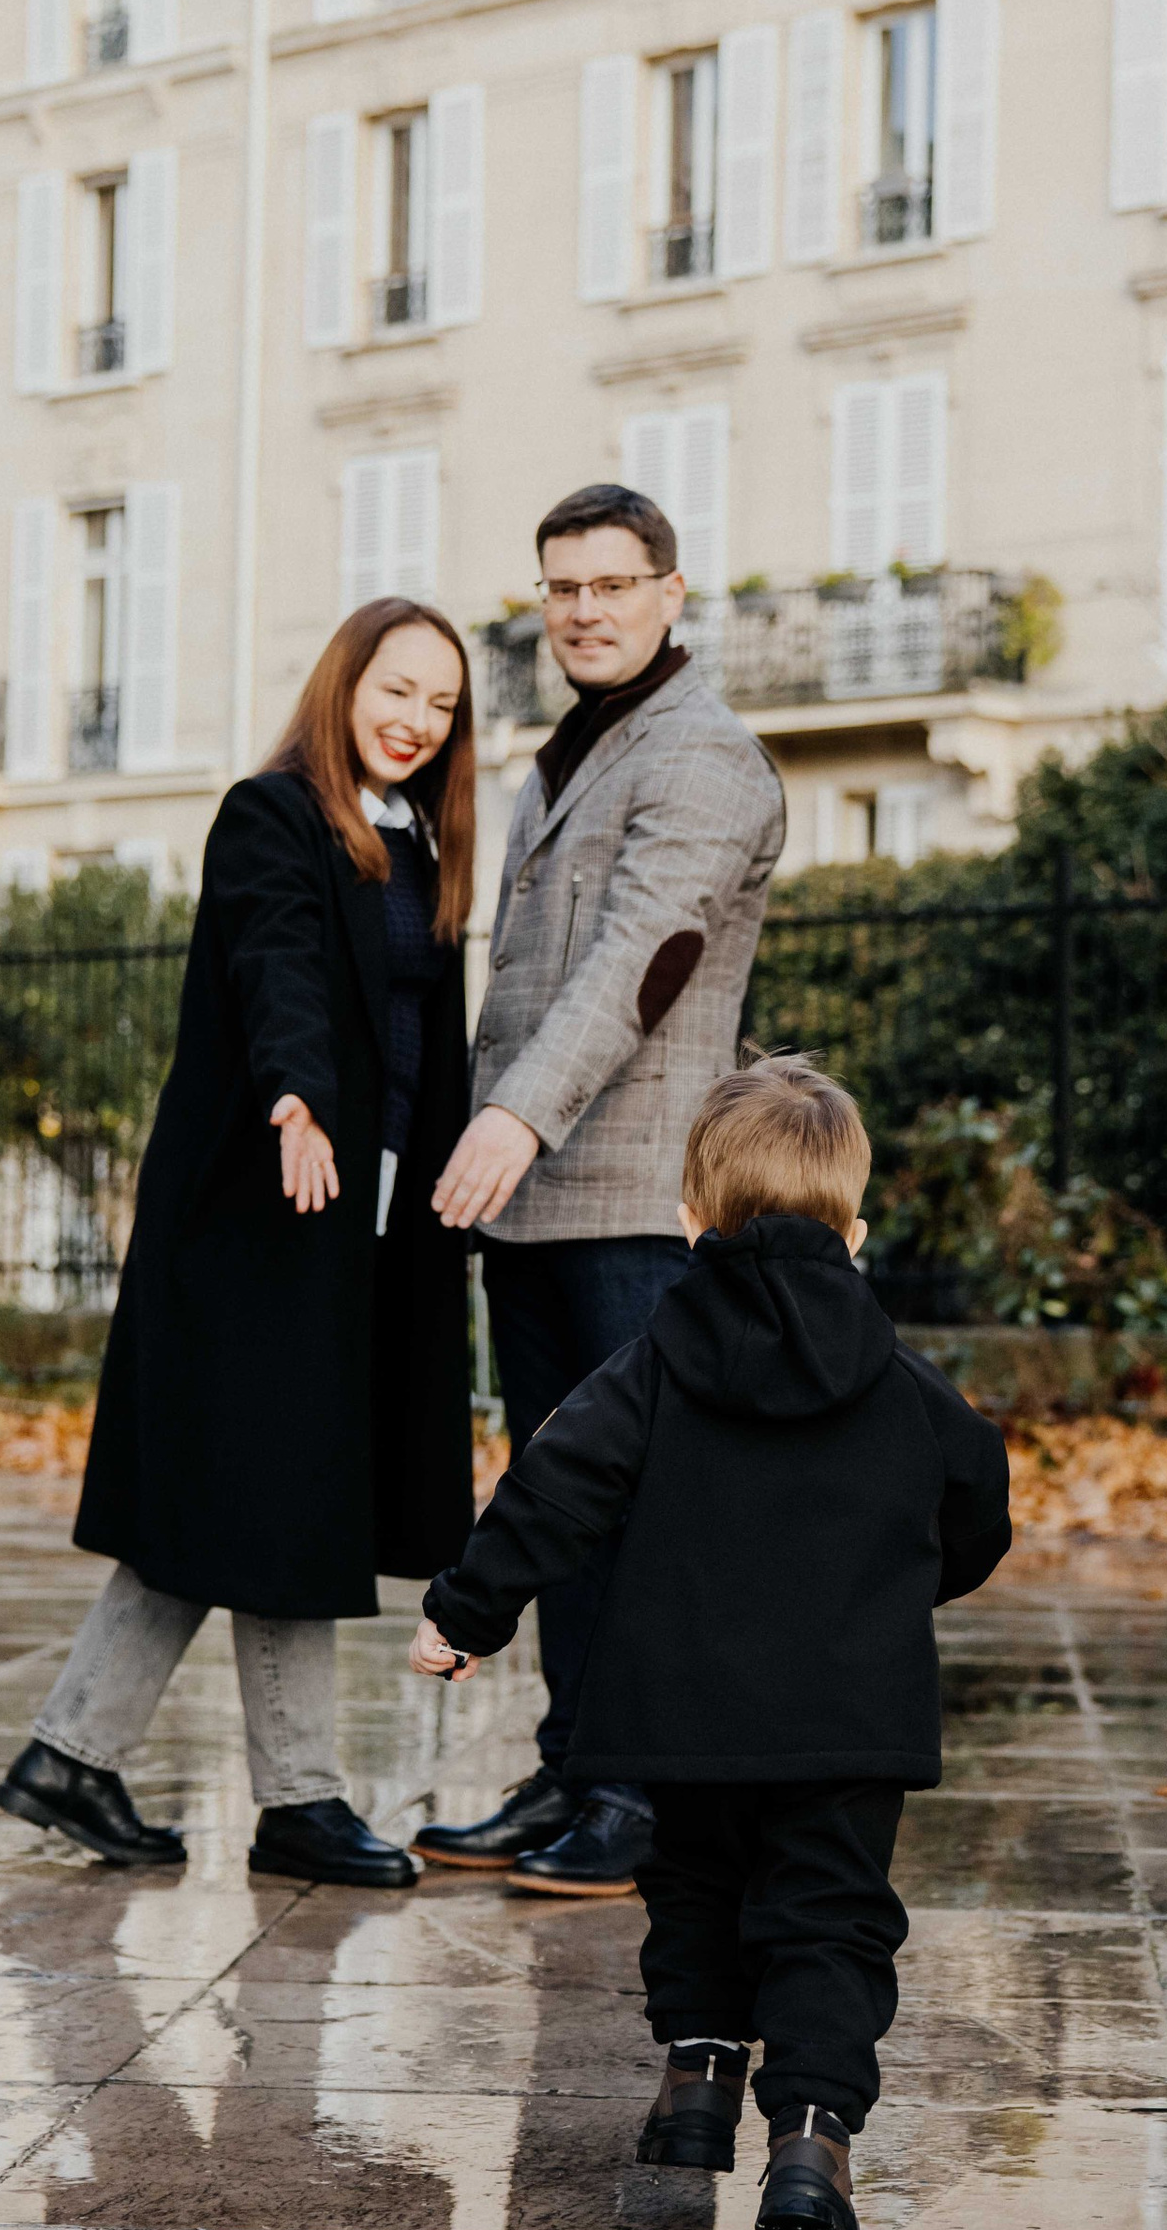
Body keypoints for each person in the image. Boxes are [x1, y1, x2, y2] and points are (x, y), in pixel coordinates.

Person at [409, 1057, 1012, 2230]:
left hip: (677, 1713)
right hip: (849, 1721)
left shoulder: (650, 1367)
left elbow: (553, 1485)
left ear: (687, 1220)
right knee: (829, 1918)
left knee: (693, 1897)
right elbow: (978, 1496)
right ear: (856, 1231)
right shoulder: (902, 1382)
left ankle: (694, 2091)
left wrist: (465, 1611)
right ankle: (809, 2148)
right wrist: (903, 1588)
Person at [0, 599, 480, 1889]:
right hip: (264, 1205)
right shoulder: (271, 812)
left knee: (254, 1492)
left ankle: (76, 1756)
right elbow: (277, 964)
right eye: (397, 689)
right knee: (274, 1490)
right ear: (343, 683)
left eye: (441, 703)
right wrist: (296, 1094)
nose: (416, 720)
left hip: (354, 1218)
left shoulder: (418, 841)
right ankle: (293, 1800)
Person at [416, 483, 788, 1898]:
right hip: (535, 1201)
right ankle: (576, 1763)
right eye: (562, 588)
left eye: (612, 585)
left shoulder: (703, 757)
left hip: (634, 1196)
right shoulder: (567, 754)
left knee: (639, 1503)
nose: (584, 610)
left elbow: (644, 956)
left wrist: (512, 1112)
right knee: (557, 1491)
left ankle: (644, 1793)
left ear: (671, 593)